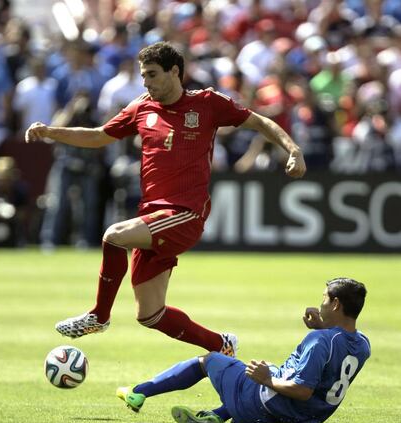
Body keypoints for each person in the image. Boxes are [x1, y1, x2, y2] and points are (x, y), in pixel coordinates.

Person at [25, 41, 306, 356]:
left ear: (175, 72)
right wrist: (51, 131)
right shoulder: (142, 107)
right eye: (143, 76)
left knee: (114, 236)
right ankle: (222, 345)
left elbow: (260, 121)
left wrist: (293, 151)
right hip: (153, 217)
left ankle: (99, 316)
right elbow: (98, 135)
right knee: (150, 314)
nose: (146, 83)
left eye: (152, 75)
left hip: (185, 214)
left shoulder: (208, 103)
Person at [116, 278, 370, 423]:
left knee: (210, 359)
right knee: (265, 365)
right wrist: (321, 327)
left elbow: (302, 389)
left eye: (325, 298)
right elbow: (334, 354)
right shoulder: (363, 345)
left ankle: (139, 392)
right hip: (302, 420)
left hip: (265, 409)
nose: (321, 303)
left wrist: (266, 379)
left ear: (336, 304)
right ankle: (218, 414)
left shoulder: (319, 340)